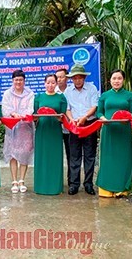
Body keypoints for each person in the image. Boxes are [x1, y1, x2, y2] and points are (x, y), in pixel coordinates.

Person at [96, 69, 132, 198]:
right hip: (108, 130)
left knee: (123, 158)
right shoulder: (105, 96)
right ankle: (105, 188)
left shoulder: (129, 95)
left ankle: (121, 187)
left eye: (119, 78)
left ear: (123, 80)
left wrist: (126, 119)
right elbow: (99, 112)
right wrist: (103, 119)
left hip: (123, 131)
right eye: (114, 78)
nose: (116, 81)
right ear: (110, 80)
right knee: (108, 158)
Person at [64, 64, 98, 196]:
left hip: (89, 123)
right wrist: (71, 119)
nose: (77, 80)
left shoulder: (91, 88)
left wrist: (85, 117)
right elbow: (67, 108)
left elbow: (94, 106)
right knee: (74, 155)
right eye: (75, 78)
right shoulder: (68, 91)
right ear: (72, 79)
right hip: (75, 125)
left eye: (80, 78)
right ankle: (74, 184)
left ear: (84, 78)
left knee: (89, 155)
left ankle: (88, 184)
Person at [33, 74, 67, 195]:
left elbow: (63, 117)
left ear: (56, 83)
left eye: (53, 83)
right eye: (48, 82)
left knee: (54, 157)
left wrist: (59, 117)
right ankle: (40, 186)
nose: (50, 85)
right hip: (42, 130)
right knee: (42, 157)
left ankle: (55, 187)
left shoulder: (61, 98)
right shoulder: (38, 97)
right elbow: (35, 116)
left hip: (55, 131)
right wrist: (35, 117)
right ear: (44, 83)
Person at [1, 69, 35, 194]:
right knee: (12, 154)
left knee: (24, 154)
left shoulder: (30, 94)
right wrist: (13, 114)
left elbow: (31, 108)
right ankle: (14, 181)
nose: (18, 82)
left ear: (24, 81)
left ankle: (22, 180)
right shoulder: (7, 94)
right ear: (12, 80)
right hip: (12, 127)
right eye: (16, 80)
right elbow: (5, 108)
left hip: (25, 128)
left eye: (21, 80)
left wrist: (22, 116)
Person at [55, 68, 71, 180]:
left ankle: (71, 179)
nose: (59, 79)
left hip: (69, 128)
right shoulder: (52, 92)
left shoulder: (71, 91)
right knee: (55, 154)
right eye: (57, 77)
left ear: (67, 78)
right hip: (55, 129)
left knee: (71, 155)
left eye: (62, 77)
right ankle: (56, 179)